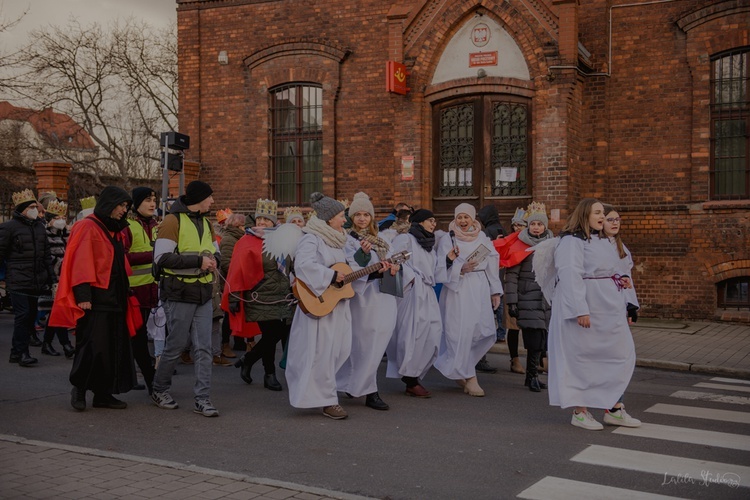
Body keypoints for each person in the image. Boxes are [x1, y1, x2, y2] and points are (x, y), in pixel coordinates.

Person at [547, 198, 641, 430]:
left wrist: (629, 304)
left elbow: (621, 272)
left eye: (603, 213)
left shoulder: (604, 241)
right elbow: (570, 275)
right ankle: (580, 411)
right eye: (598, 213)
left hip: (610, 308)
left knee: (620, 354)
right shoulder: (571, 241)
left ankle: (614, 407)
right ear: (585, 215)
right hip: (587, 307)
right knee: (582, 359)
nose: (602, 217)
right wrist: (580, 309)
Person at [49, 186, 137, 411]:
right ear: (110, 204)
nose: (124, 210)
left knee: (112, 348)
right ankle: (79, 387)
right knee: (92, 346)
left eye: (126, 207)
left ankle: (103, 394)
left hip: (115, 297)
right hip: (95, 299)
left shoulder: (114, 230)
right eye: (122, 205)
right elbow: (79, 261)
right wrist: (83, 295)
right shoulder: (87, 226)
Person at [150, 180, 221, 417]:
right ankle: (159, 389)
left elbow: (215, 252)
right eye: (209, 197)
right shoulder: (172, 221)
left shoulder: (207, 222)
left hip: (202, 293)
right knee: (175, 346)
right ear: (199, 199)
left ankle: (203, 399)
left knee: (204, 348)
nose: (212, 201)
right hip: (178, 293)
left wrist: (214, 262)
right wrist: (198, 262)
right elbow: (161, 259)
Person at [286, 192, 352, 419]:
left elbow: (345, 269)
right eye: (341, 216)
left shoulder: (338, 239)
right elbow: (303, 266)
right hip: (319, 304)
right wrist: (330, 276)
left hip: (338, 305)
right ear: (329, 218)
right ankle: (327, 400)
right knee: (321, 353)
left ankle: (324, 393)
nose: (345, 220)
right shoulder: (311, 238)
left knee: (339, 350)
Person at [435, 203, 502, 397]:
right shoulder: (449, 238)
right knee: (460, 331)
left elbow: (492, 262)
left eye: (466, 217)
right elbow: (441, 264)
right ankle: (470, 376)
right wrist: (459, 269)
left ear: (473, 218)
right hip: (459, 288)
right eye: (459, 217)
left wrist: (495, 291)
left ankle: (460, 368)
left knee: (482, 329)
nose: (463, 221)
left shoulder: (482, 237)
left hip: (479, 287)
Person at [229, 198, 296, 391]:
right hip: (260, 296)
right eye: (259, 219)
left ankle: (248, 360)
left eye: (266, 220)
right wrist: (234, 297)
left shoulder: (285, 238)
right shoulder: (247, 240)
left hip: (283, 295)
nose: (262, 223)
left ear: (274, 221)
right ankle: (269, 374)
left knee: (279, 333)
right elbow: (236, 270)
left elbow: (294, 265)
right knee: (270, 334)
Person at [338, 192, 397, 411]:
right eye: (358, 214)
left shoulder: (383, 240)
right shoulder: (347, 240)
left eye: (366, 215)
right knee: (362, 345)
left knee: (377, 344)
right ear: (351, 217)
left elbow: (394, 260)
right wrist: (368, 266)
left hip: (384, 298)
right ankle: (369, 391)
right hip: (362, 299)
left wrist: (395, 268)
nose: (363, 219)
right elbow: (349, 268)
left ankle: (358, 385)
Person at [387, 209, 443, 398]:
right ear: (419, 222)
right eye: (430, 220)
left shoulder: (429, 244)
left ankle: (416, 373)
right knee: (413, 333)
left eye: (435, 221)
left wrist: (450, 260)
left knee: (432, 333)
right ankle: (410, 379)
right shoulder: (406, 240)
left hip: (426, 291)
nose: (433, 224)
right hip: (412, 292)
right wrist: (411, 280)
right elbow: (395, 260)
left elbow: (434, 269)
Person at [0, 189, 55, 367]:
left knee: (30, 316)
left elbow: (47, 255)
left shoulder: (39, 227)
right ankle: (22, 352)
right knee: (23, 315)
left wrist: (53, 278)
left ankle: (16, 352)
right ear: (23, 208)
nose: (35, 210)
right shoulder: (9, 227)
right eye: (32, 207)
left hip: (36, 279)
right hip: (17, 279)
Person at [504, 202, 554, 392]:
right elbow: (512, 275)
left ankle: (532, 374)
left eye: (539, 224)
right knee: (533, 338)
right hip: (527, 298)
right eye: (533, 224)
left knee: (541, 340)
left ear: (545, 226)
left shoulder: (551, 245)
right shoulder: (521, 245)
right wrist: (512, 302)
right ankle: (531, 375)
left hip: (545, 299)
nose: (536, 227)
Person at [122, 187, 159, 393]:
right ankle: (151, 380)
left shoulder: (156, 225)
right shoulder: (127, 226)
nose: (153, 203)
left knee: (138, 339)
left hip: (154, 291)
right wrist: (152, 254)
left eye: (154, 199)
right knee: (137, 339)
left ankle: (134, 379)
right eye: (147, 200)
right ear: (136, 204)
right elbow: (121, 257)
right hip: (133, 292)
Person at [36, 197, 76, 358]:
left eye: (63, 217)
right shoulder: (44, 235)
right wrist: (62, 265)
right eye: (57, 218)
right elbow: (46, 258)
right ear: (49, 220)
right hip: (51, 280)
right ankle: (66, 345)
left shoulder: (67, 234)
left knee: (56, 312)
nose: (61, 221)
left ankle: (47, 343)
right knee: (56, 312)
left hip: (65, 280)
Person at [494, 208, 527, 374]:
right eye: (516, 225)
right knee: (513, 326)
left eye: (522, 225)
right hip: (513, 287)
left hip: (531, 288)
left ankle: (540, 358)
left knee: (534, 326)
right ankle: (514, 359)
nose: (518, 228)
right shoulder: (509, 241)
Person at [476, 203, 506, 371]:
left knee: (484, 319)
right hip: (500, 275)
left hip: (486, 278)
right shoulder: (501, 229)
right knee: (497, 310)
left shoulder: (486, 233)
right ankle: (501, 332)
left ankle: (481, 358)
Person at [602, 204, 640, 325]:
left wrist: (631, 305)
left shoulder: (620, 248)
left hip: (618, 302)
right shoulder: (593, 245)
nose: (615, 223)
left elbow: (626, 277)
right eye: (610, 220)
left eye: (617, 219)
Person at [218, 212, 247, 356]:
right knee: (230, 314)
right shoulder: (229, 240)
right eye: (243, 226)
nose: (245, 228)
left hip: (237, 281)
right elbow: (226, 264)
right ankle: (225, 345)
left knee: (237, 312)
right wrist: (242, 271)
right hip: (231, 283)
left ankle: (239, 342)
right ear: (237, 226)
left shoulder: (238, 238)